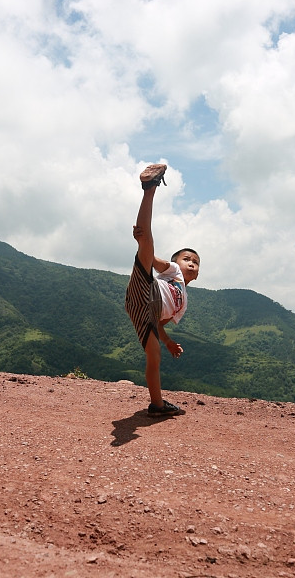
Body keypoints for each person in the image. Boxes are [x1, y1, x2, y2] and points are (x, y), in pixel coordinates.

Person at [125, 163, 200, 417]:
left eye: (196, 262)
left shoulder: (183, 303)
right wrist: (143, 245)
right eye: (187, 258)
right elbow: (154, 261)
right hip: (146, 290)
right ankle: (150, 187)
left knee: (154, 356)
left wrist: (166, 342)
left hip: (143, 314)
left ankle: (157, 405)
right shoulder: (173, 273)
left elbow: (160, 322)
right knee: (146, 239)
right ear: (176, 262)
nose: (191, 263)